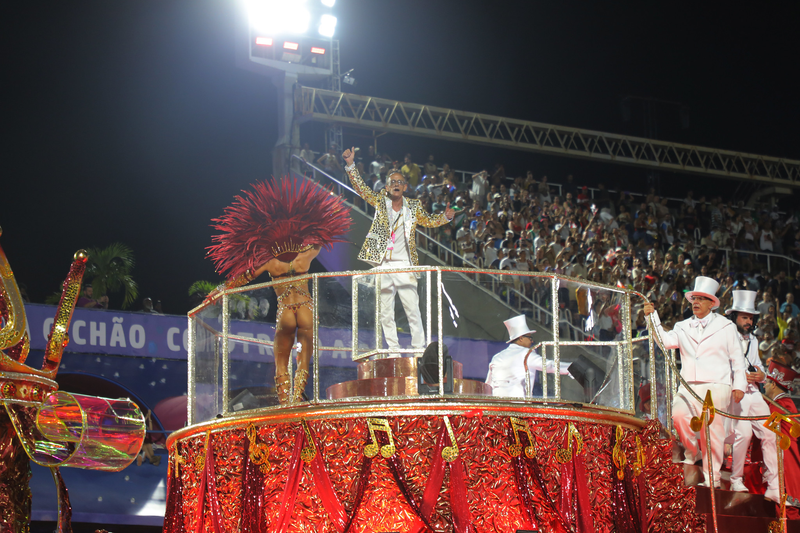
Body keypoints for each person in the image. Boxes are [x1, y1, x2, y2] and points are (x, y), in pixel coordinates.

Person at [208, 177, 351, 403]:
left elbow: (243, 277)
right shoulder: (306, 254)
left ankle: (285, 402)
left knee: (281, 360)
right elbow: (323, 235)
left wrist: (220, 290)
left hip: (285, 311)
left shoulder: (269, 261)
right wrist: (326, 212)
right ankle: (296, 398)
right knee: (303, 359)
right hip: (305, 308)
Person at [343, 147, 453, 358]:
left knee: (412, 309)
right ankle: (393, 350)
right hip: (383, 264)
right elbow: (362, 189)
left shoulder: (413, 206)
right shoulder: (380, 201)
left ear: (405, 186)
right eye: (392, 181)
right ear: (386, 187)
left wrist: (445, 217)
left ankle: (419, 349)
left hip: (404, 264)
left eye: (400, 182)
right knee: (385, 311)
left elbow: (428, 221)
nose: (396, 184)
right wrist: (351, 165)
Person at [644, 276, 746, 487]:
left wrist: (739, 385)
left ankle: (712, 478)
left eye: (701, 299)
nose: (696, 302)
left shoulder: (726, 326)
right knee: (678, 415)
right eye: (694, 299)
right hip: (689, 385)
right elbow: (665, 341)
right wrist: (652, 317)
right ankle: (692, 451)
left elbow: (737, 358)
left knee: (713, 431)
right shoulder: (682, 326)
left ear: (711, 303)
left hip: (717, 384)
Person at [724, 290, 779, 502]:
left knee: (771, 433)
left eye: (750, 318)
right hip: (737, 391)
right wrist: (738, 378)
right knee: (744, 434)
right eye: (744, 317)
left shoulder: (754, 340)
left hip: (754, 391)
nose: (748, 322)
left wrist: (761, 375)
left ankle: (773, 485)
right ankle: (736, 479)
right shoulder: (725, 337)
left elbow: (757, 365)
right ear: (734, 317)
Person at [486, 315, 571, 397]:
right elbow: (548, 366)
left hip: (496, 404)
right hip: (518, 404)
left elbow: (488, 385)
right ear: (521, 338)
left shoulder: (496, 357)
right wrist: (572, 368)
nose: (531, 341)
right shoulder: (525, 353)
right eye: (530, 338)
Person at [764, 358, 800, 510]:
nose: (764, 386)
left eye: (766, 383)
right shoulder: (783, 402)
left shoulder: (782, 404)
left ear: (773, 384)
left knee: (787, 508)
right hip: (784, 454)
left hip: (785, 456)